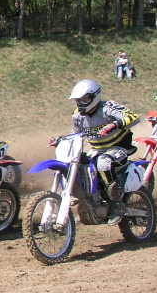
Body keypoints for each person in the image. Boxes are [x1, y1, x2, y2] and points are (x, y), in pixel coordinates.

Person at [53, 79, 139, 224]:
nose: (81, 103)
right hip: (97, 149)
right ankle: (88, 196)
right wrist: (60, 139)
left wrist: (115, 124)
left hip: (119, 147)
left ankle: (116, 203)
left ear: (95, 96)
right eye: (78, 100)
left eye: (84, 99)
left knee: (103, 163)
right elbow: (76, 134)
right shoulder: (77, 115)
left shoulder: (108, 107)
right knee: (80, 164)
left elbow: (133, 117)